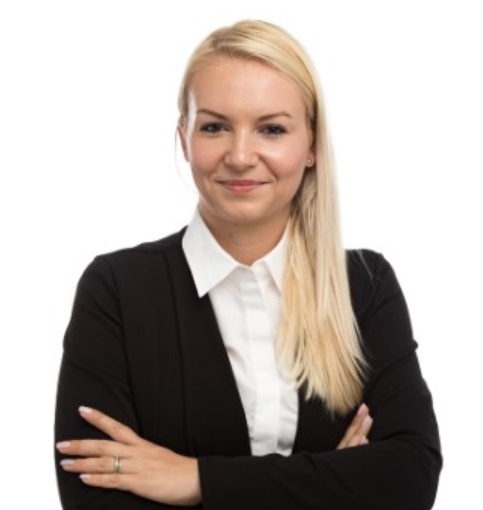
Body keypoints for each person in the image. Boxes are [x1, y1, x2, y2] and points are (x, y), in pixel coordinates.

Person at [55, 19, 442, 509]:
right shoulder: (116, 291)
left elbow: (410, 479)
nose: (240, 156)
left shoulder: (363, 286)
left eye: (271, 129)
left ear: (311, 145)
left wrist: (195, 479)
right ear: (184, 137)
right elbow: (93, 501)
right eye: (214, 127)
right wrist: (333, 482)